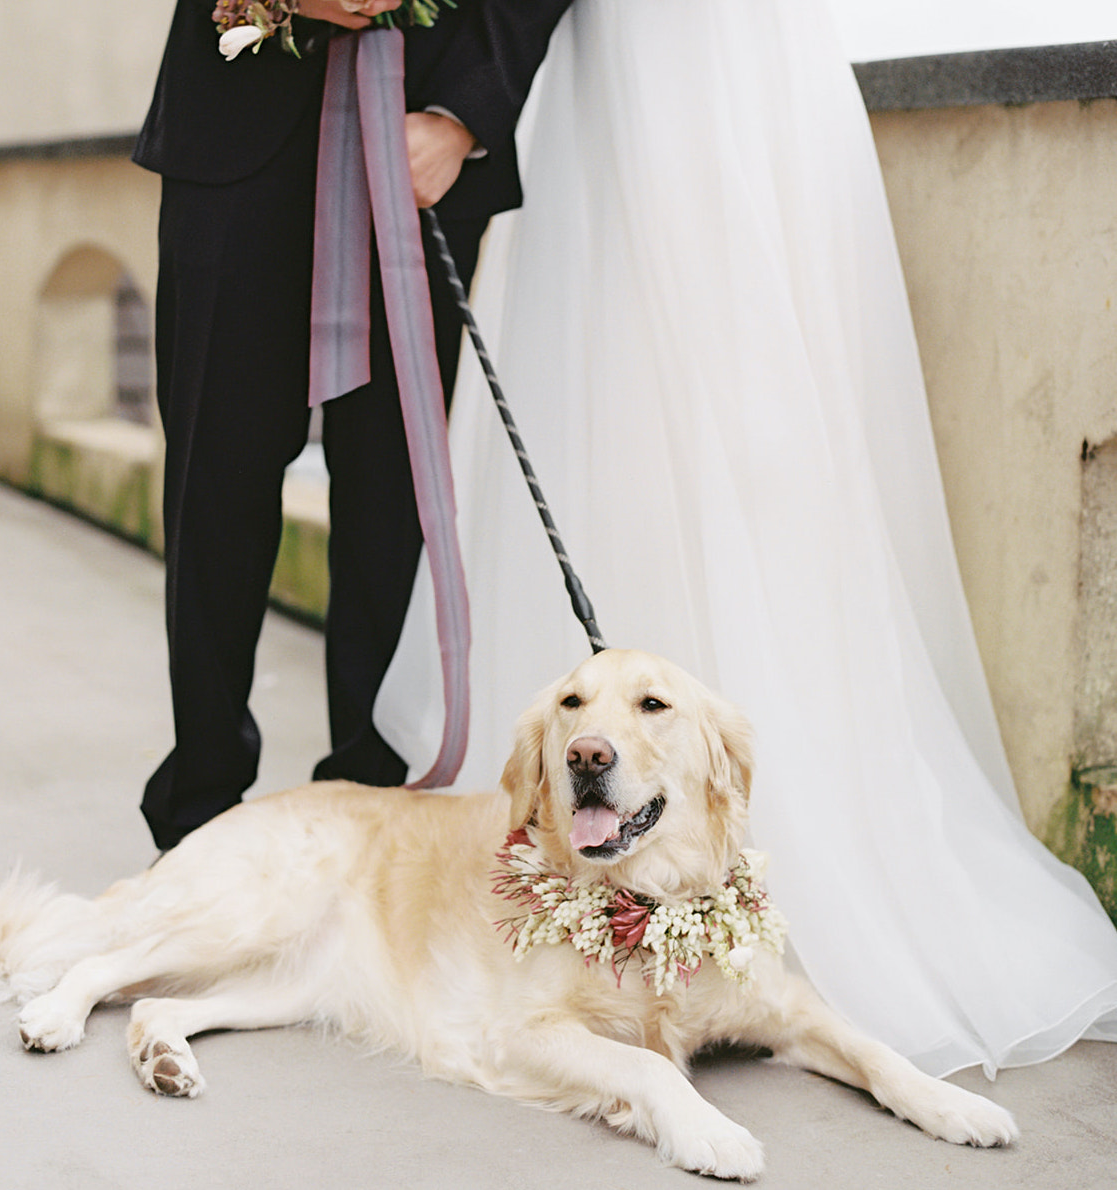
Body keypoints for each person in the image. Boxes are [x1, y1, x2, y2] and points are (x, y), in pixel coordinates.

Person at [374, 0, 1117, 1077]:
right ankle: (612, 838)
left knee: (728, 406)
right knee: (632, 412)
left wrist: (455, 106)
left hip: (681, 72)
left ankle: (723, 845)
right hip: (625, 77)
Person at [131, 0, 572, 851]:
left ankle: (372, 819)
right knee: (213, 484)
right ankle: (199, 815)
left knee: (392, 499)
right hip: (232, 133)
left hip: (423, 143)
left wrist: (464, 116)